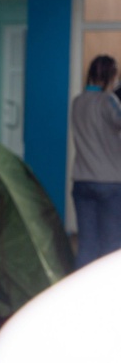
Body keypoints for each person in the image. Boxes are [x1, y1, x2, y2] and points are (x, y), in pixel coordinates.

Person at [71, 54, 121, 269]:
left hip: (82, 182)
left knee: (86, 246)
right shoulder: (108, 101)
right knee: (112, 246)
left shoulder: (77, 102)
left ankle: (82, 287)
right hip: (109, 183)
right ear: (111, 76)